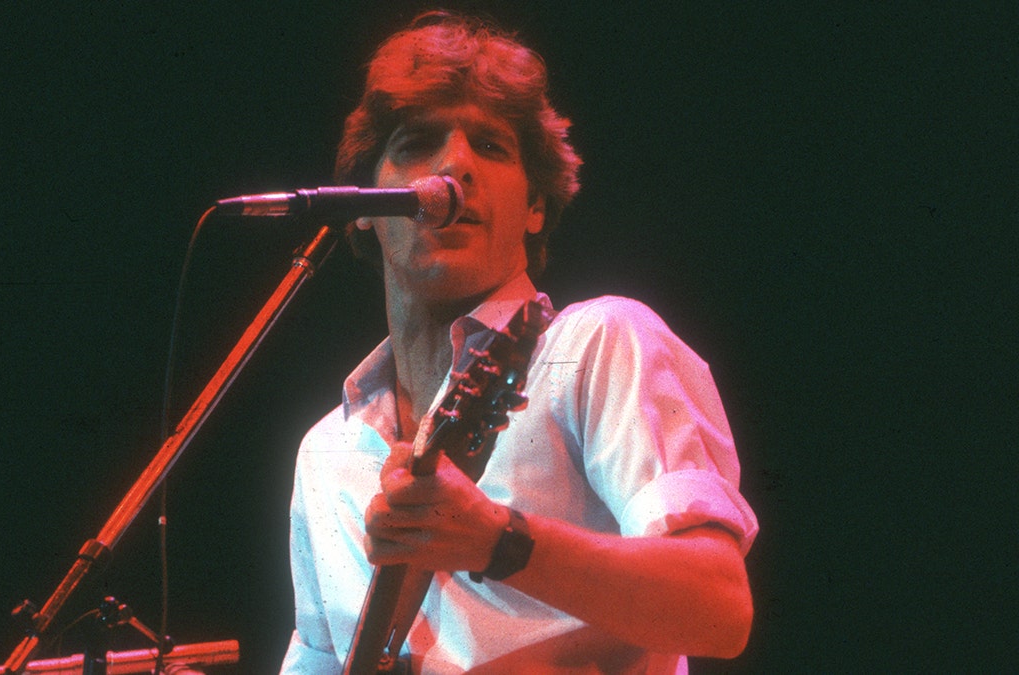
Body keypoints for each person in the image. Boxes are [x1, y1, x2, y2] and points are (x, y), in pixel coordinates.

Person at [281, 11, 758, 674]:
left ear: (536, 204)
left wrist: (496, 540)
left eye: (491, 146)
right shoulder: (326, 451)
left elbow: (717, 604)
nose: (453, 167)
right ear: (365, 203)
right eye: (418, 142)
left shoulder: (599, 344)